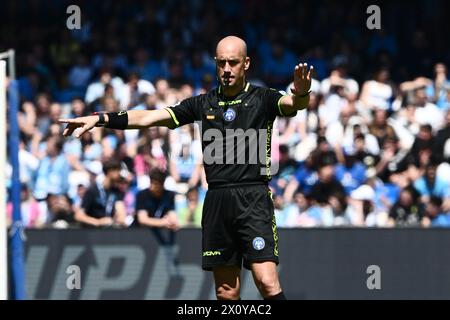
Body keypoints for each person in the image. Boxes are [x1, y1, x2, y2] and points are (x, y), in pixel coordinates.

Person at [59, 36, 313, 300]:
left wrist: (302, 92)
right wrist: (100, 119)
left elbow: (293, 105)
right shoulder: (202, 104)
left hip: (253, 198)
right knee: (226, 292)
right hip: (216, 200)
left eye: (233, 63)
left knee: (267, 282)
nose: (227, 69)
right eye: (222, 63)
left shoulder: (263, 98)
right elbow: (148, 117)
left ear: (246, 64)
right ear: (215, 63)